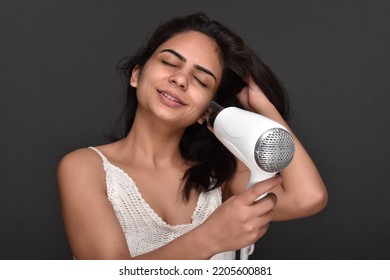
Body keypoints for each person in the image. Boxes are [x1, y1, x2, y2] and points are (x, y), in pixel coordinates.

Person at [57, 13, 328, 260]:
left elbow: (309, 196)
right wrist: (210, 238)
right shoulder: (85, 167)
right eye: (169, 62)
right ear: (137, 75)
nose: (180, 79)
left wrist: (262, 106)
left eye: (201, 80)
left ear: (206, 112)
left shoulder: (220, 179)